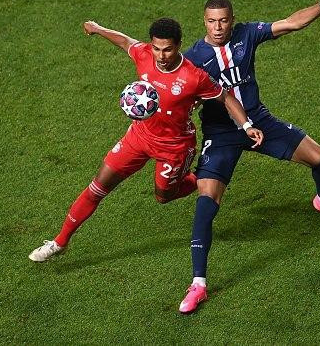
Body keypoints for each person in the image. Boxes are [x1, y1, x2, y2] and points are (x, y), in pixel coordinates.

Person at [178, 0, 320, 313]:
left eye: (224, 21)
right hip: (222, 134)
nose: (218, 27)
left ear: (232, 20)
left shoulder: (247, 34)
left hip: (259, 120)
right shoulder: (193, 59)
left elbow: (290, 23)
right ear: (204, 22)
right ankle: (198, 284)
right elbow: (188, 101)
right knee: (205, 204)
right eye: (212, 21)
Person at [29, 17, 263, 262]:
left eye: (168, 49)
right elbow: (124, 41)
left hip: (175, 148)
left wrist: (246, 125)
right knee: (98, 186)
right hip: (138, 138)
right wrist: (98, 29)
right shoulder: (144, 55)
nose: (161, 56)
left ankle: (205, 179)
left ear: (179, 45)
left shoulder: (194, 77)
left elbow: (225, 97)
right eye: (157, 48)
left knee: (164, 197)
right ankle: (59, 242)